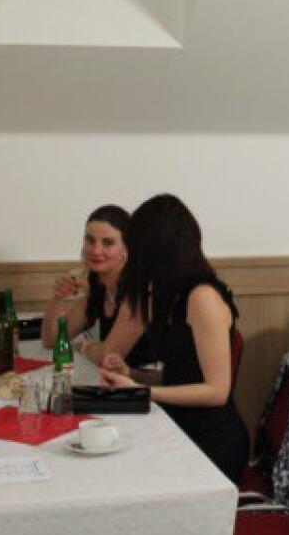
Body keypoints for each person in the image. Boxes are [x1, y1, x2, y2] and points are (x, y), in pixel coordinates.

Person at [98, 194, 249, 482]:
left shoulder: (202, 298)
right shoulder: (172, 294)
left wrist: (141, 392)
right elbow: (183, 373)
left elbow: (217, 392)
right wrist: (132, 375)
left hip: (210, 440)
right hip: (179, 422)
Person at [41, 204, 149, 366]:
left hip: (151, 379)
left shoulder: (137, 292)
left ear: (126, 249)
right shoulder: (99, 289)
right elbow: (51, 340)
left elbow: (109, 357)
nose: (96, 250)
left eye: (108, 243)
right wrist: (57, 299)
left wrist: (84, 347)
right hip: (118, 379)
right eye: (90, 240)